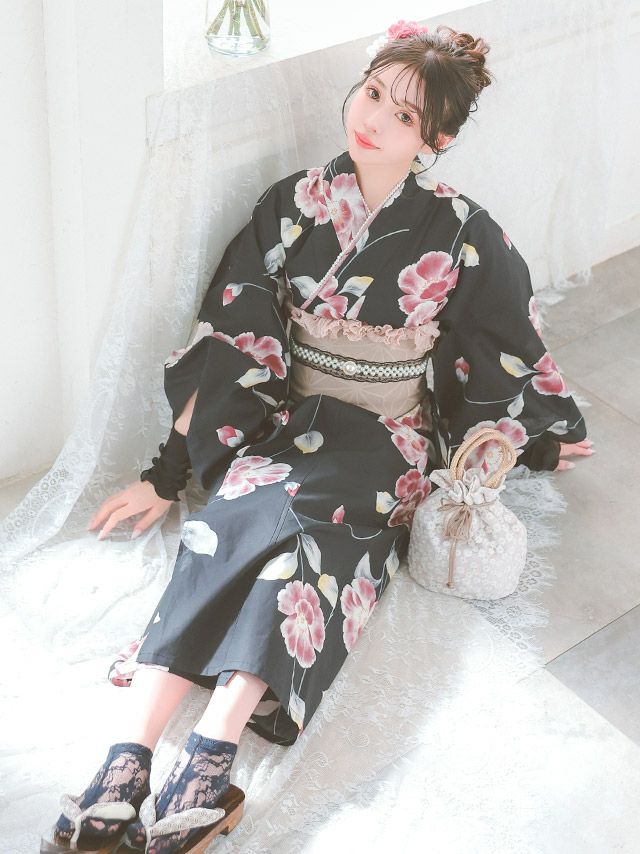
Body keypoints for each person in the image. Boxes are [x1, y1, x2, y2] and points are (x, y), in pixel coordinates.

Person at [41, 19, 595, 854]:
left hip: (387, 438)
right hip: (286, 423)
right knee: (223, 527)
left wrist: (533, 437)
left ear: (437, 139)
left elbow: (501, 341)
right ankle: (126, 760)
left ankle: (211, 754)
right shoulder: (293, 204)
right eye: (372, 93)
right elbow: (233, 336)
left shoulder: (462, 230)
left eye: (404, 116)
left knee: (311, 555)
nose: (374, 119)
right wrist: (165, 471)